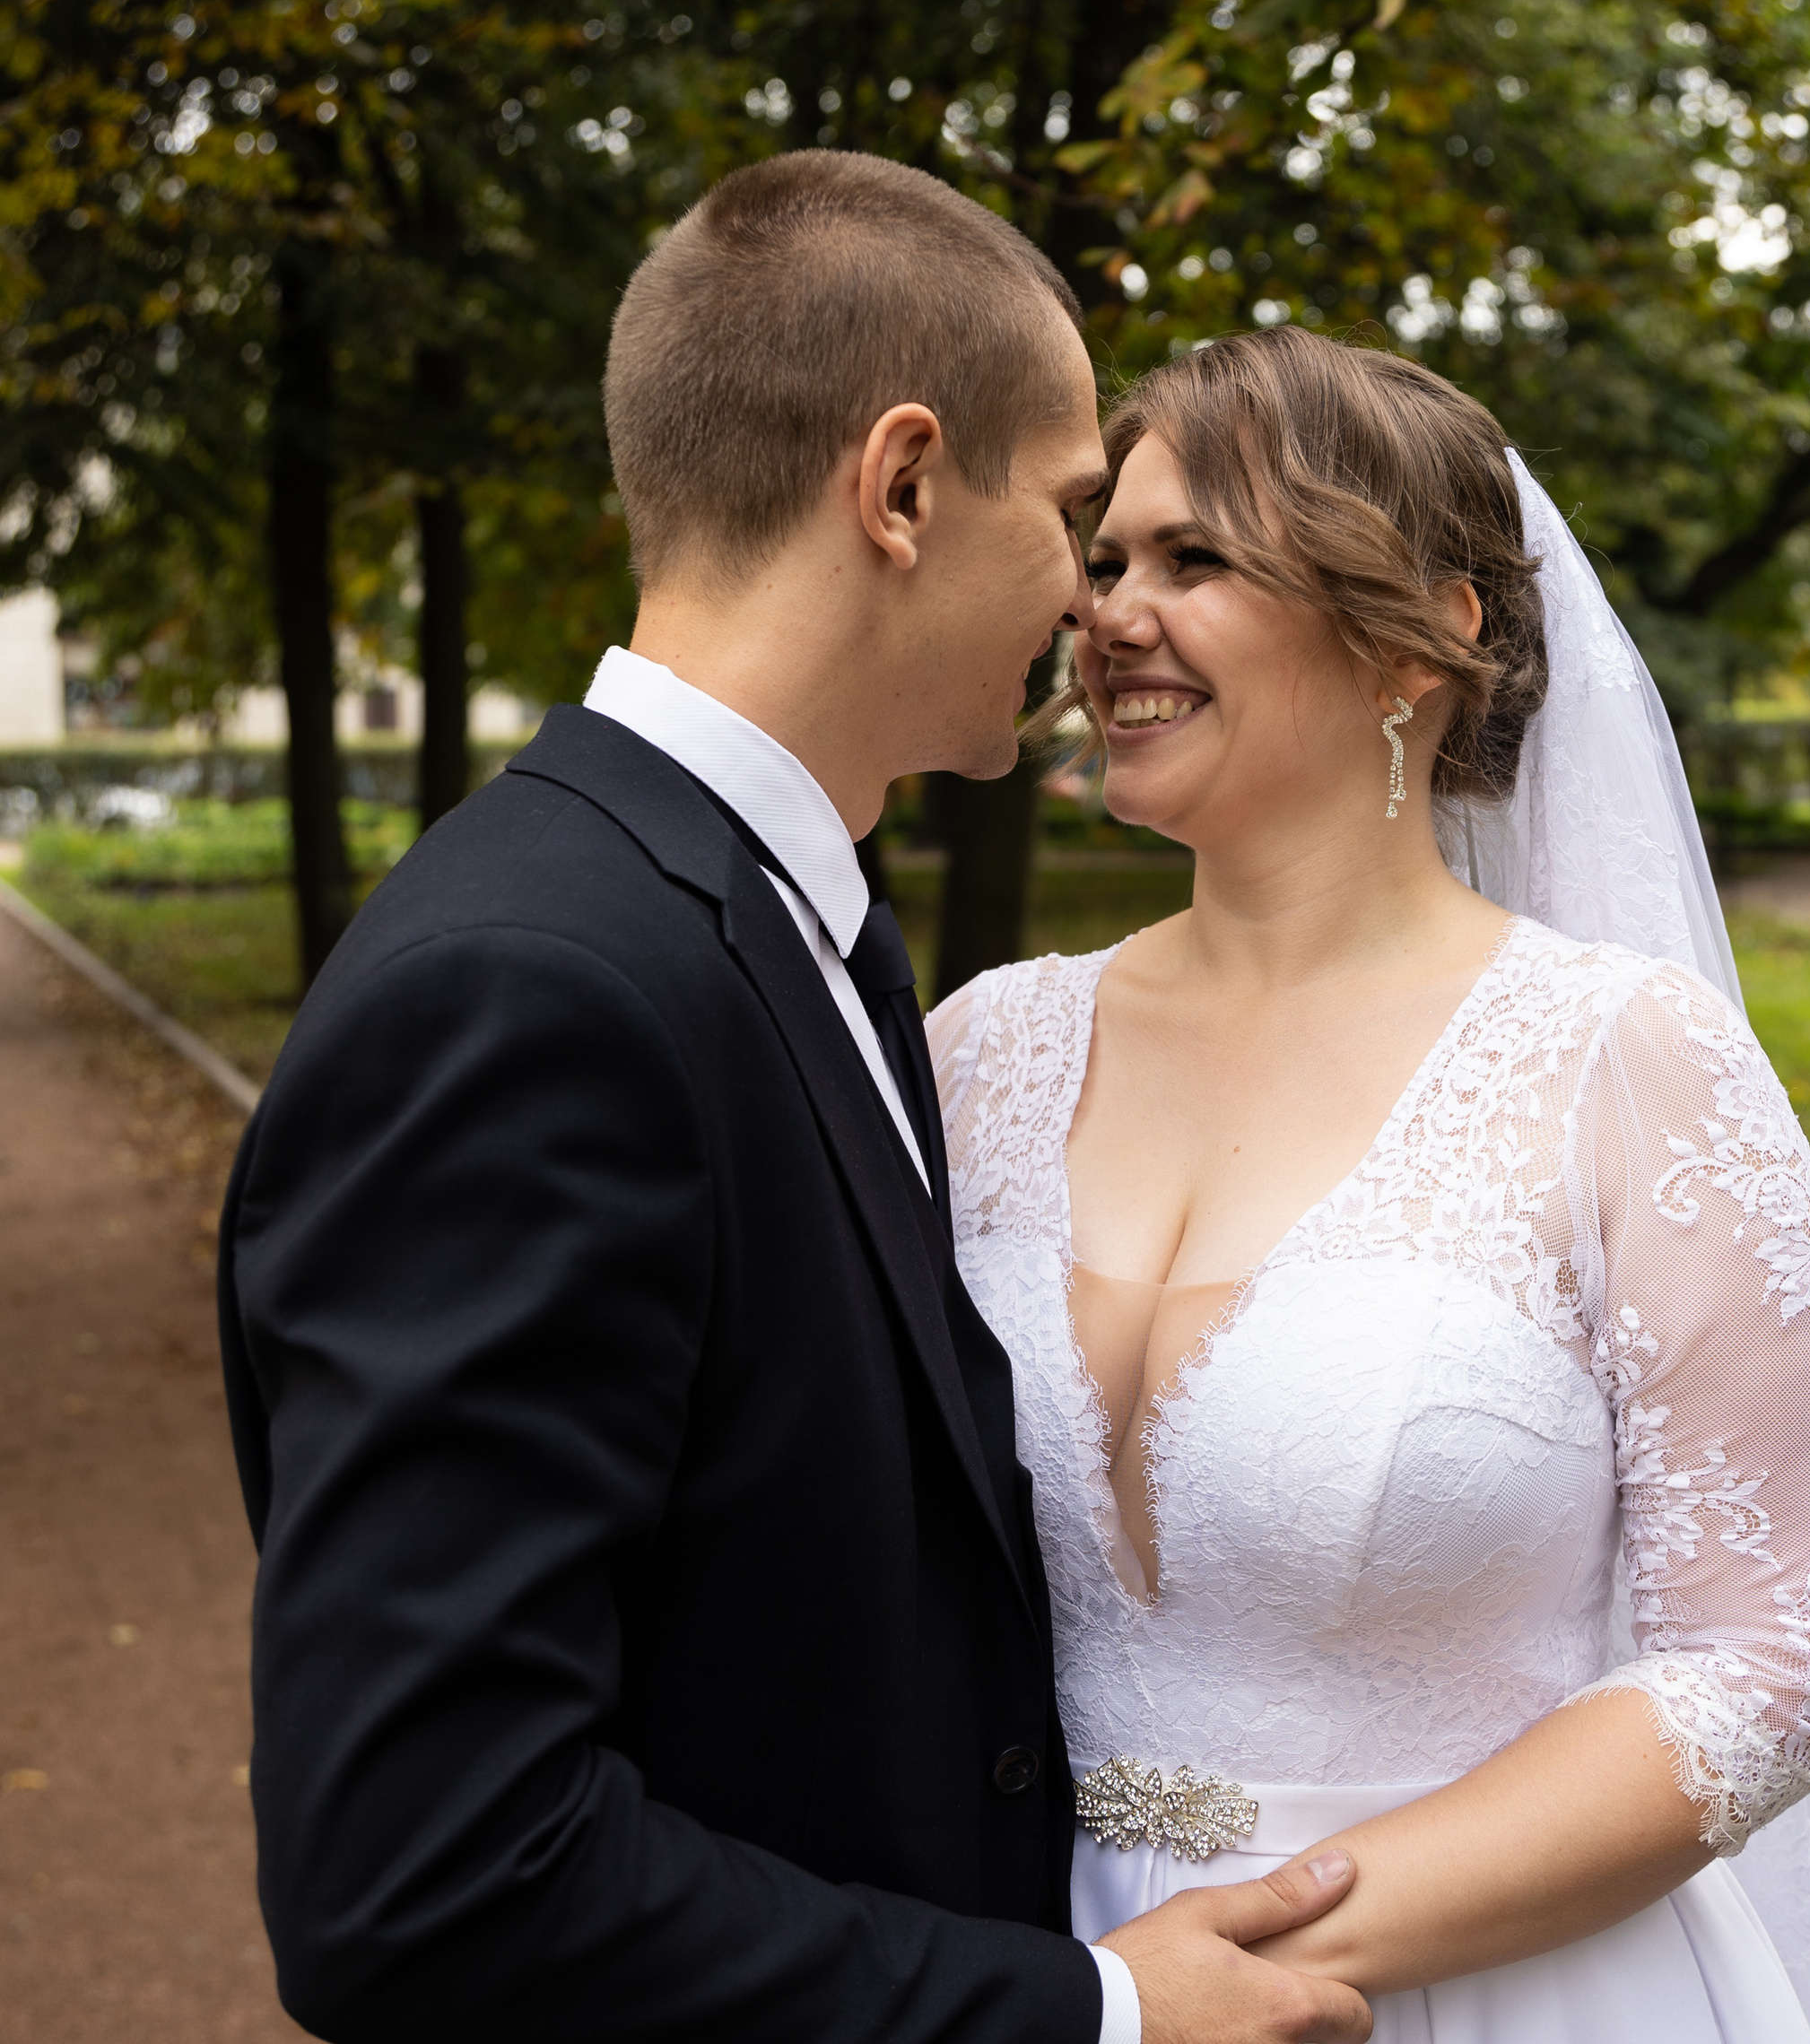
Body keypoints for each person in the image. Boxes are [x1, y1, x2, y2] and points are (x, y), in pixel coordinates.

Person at [215, 157, 1375, 2044]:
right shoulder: (532, 992)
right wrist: (1077, 2009)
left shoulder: (796, 925)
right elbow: (424, 1875)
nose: (1089, 605)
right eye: (1075, 517)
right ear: (902, 486)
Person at [928, 327, 1810, 2044]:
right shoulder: (982, 1056)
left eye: (1196, 559)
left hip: (1486, 1983)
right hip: (1037, 1977)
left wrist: (1254, 1964)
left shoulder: (1626, 1066)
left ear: (1431, 639)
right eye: (1103, 557)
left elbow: (1767, 1665)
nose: (1109, 613)